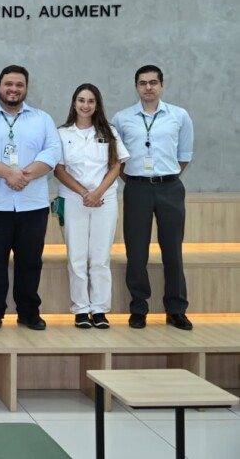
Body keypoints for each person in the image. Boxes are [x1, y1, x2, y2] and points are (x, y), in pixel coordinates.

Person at [0, 65, 61, 331]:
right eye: (8, 84)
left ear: (26, 88)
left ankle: (29, 312)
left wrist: (22, 176)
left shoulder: (42, 119)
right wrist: (9, 173)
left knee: (30, 262)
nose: (13, 89)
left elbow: (52, 152)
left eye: (19, 85)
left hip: (32, 205)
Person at [113, 65, 194, 330]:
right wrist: (137, 179)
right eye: (142, 83)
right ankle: (139, 308)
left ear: (162, 85)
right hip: (136, 188)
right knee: (136, 252)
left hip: (170, 187)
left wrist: (164, 176)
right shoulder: (122, 118)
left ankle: (176, 309)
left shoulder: (179, 116)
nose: (148, 87)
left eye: (153, 82)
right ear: (136, 86)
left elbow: (184, 156)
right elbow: (117, 159)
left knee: (173, 251)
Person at [54, 84, 129, 329]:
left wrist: (97, 193)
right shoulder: (62, 133)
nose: (85, 105)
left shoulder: (109, 132)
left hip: (104, 200)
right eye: (81, 100)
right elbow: (59, 169)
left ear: (97, 105)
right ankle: (80, 309)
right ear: (74, 103)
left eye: (91, 101)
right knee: (76, 257)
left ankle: (99, 310)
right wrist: (84, 193)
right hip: (73, 200)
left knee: (100, 258)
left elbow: (116, 165)